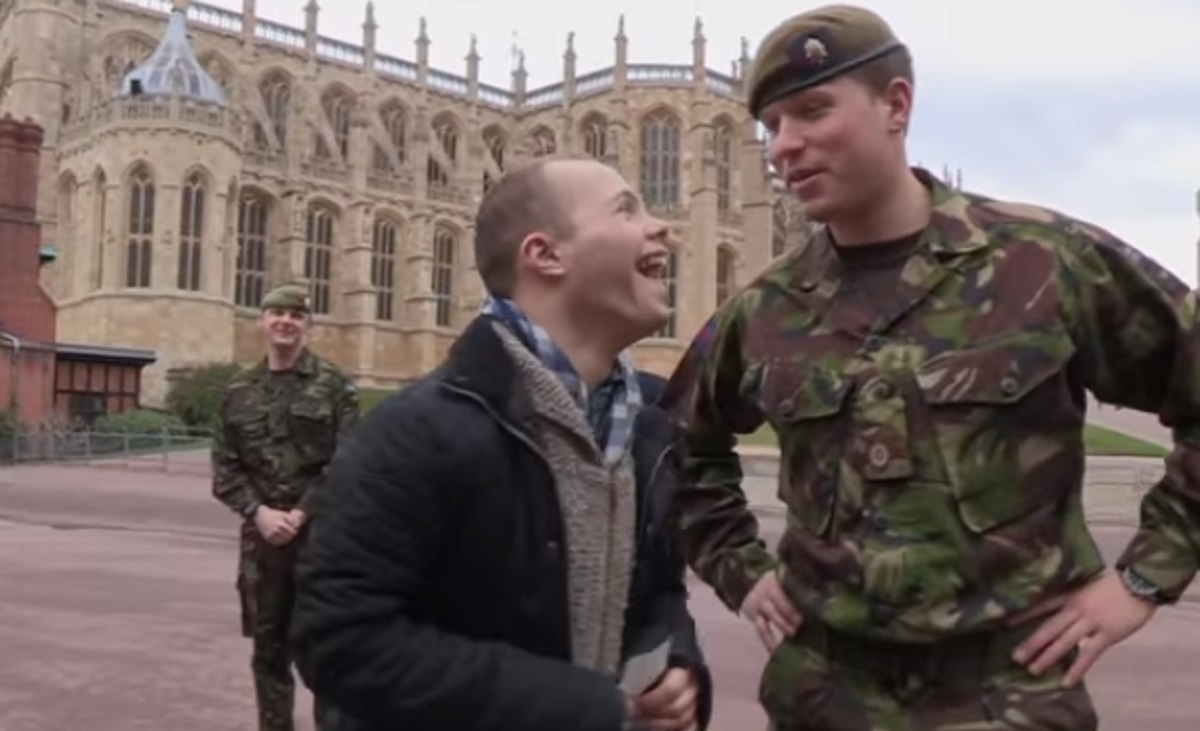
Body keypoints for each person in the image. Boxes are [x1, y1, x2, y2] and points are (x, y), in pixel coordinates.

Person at [660, 5, 1200, 730]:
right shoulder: (764, 309)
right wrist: (742, 571)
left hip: (1010, 693)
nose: (786, 144)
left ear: (897, 104)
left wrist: (1141, 578)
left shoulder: (1042, 261)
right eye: (774, 125)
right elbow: (679, 448)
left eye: (813, 110)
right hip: (824, 694)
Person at [289, 154, 713, 731]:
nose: (659, 225)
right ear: (544, 254)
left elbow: (659, 593)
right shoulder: (418, 431)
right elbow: (340, 640)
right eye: (625, 210)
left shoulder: (649, 428)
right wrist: (576, 707)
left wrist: (678, 662)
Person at [211, 283, 360, 731]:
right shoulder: (238, 391)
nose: (285, 322)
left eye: (295, 316)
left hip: (320, 541)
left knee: (325, 649)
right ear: (263, 322)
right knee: (268, 652)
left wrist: (304, 511)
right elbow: (225, 470)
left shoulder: (334, 386)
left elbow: (352, 459)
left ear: (308, 327)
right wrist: (259, 512)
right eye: (276, 313)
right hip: (263, 544)